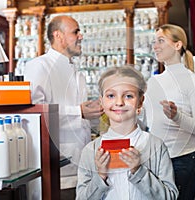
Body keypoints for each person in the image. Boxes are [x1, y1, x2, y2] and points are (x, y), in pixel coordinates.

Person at [24, 15, 104, 200]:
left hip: (83, 169)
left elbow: (82, 120)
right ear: (58, 35)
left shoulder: (77, 73)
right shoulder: (39, 66)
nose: (81, 36)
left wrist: (98, 114)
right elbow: (36, 114)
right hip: (57, 171)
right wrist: (79, 112)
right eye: (75, 31)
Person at [76, 65, 178, 200]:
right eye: (111, 95)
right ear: (101, 102)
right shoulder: (91, 151)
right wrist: (100, 176)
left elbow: (170, 197)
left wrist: (139, 171)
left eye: (128, 96)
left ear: (140, 102)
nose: (119, 102)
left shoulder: (156, 146)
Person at [142, 24, 195, 199]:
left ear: (177, 45)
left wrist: (176, 116)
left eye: (161, 41)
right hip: (157, 159)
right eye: (154, 41)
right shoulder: (153, 81)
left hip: (184, 160)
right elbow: (147, 121)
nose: (155, 46)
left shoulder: (193, 81)